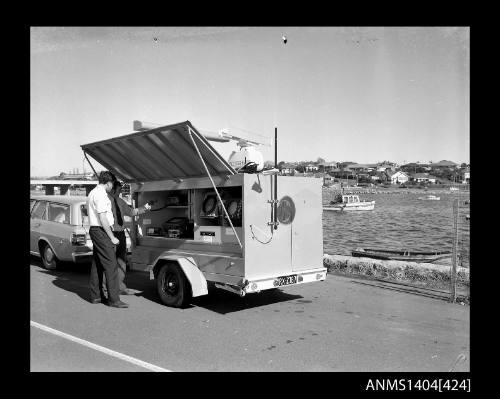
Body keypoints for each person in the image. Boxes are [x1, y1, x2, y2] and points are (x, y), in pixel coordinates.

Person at [87, 171, 128, 308]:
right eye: (112, 184)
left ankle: (96, 296)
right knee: (111, 265)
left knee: (97, 264)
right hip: (101, 231)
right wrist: (112, 237)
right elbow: (103, 217)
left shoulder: (92, 192)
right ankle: (114, 300)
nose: (112, 187)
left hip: (95, 230)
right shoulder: (101, 195)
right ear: (109, 183)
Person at [106, 179, 151, 295]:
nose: (120, 192)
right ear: (113, 189)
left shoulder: (120, 201)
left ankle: (120, 287)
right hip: (110, 234)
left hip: (120, 234)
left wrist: (145, 207)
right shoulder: (105, 201)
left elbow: (131, 212)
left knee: (121, 261)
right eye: (119, 190)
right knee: (110, 262)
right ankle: (107, 288)